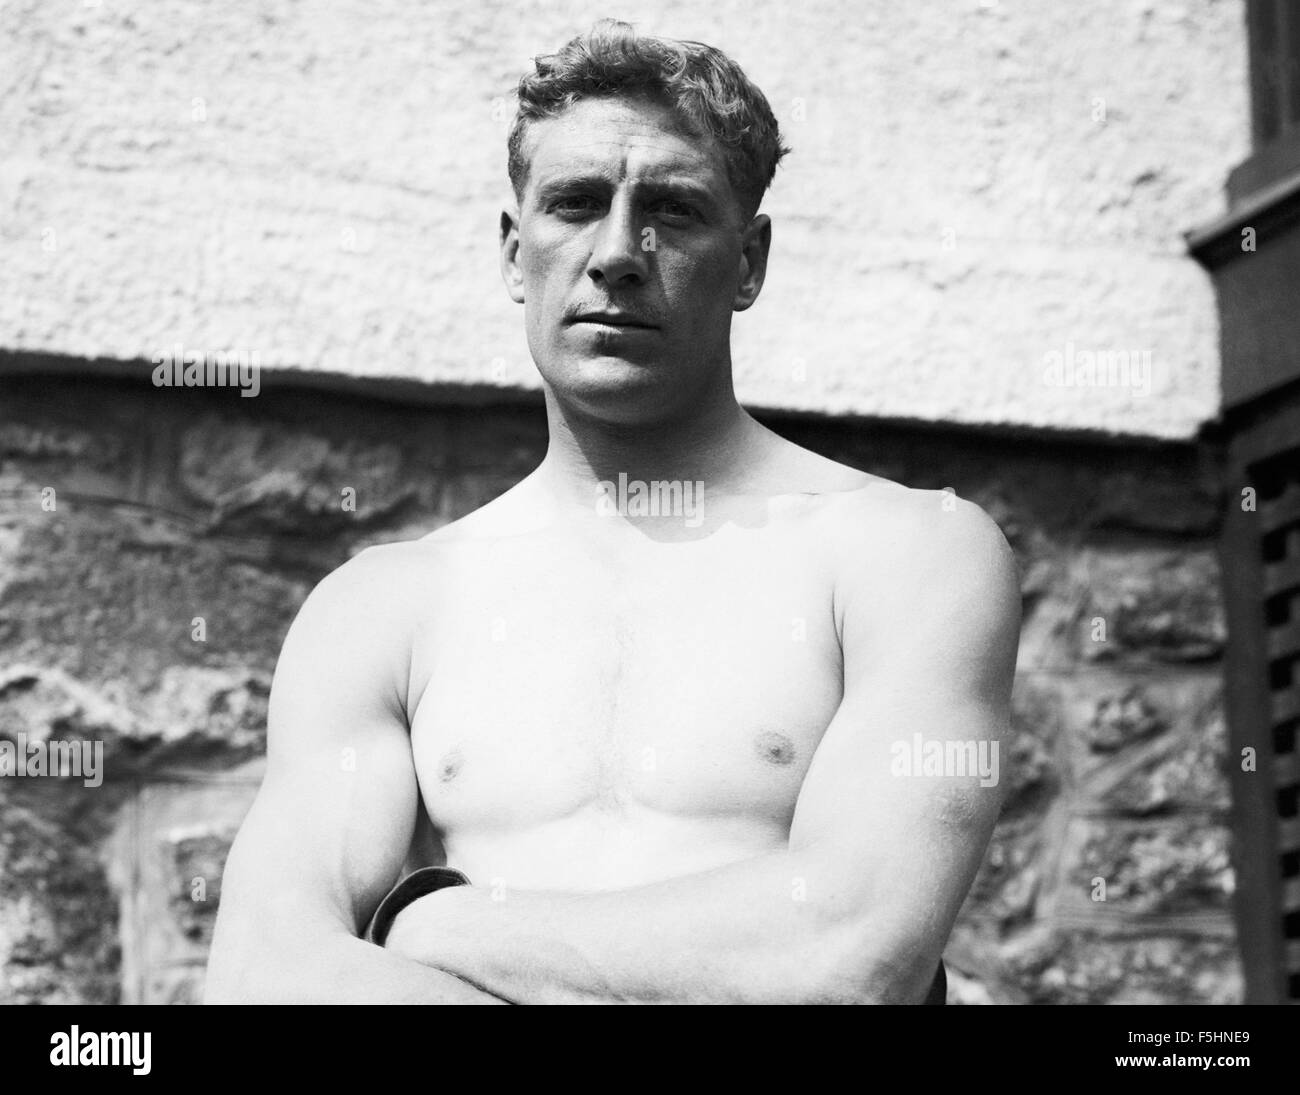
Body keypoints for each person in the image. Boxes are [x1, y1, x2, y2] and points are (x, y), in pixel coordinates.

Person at [205, 19, 1020, 1005]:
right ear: (515, 252)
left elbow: (845, 955)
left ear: (750, 262)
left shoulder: (908, 554)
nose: (616, 254)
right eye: (576, 205)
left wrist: (439, 919)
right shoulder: (383, 609)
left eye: (673, 212)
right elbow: (264, 974)